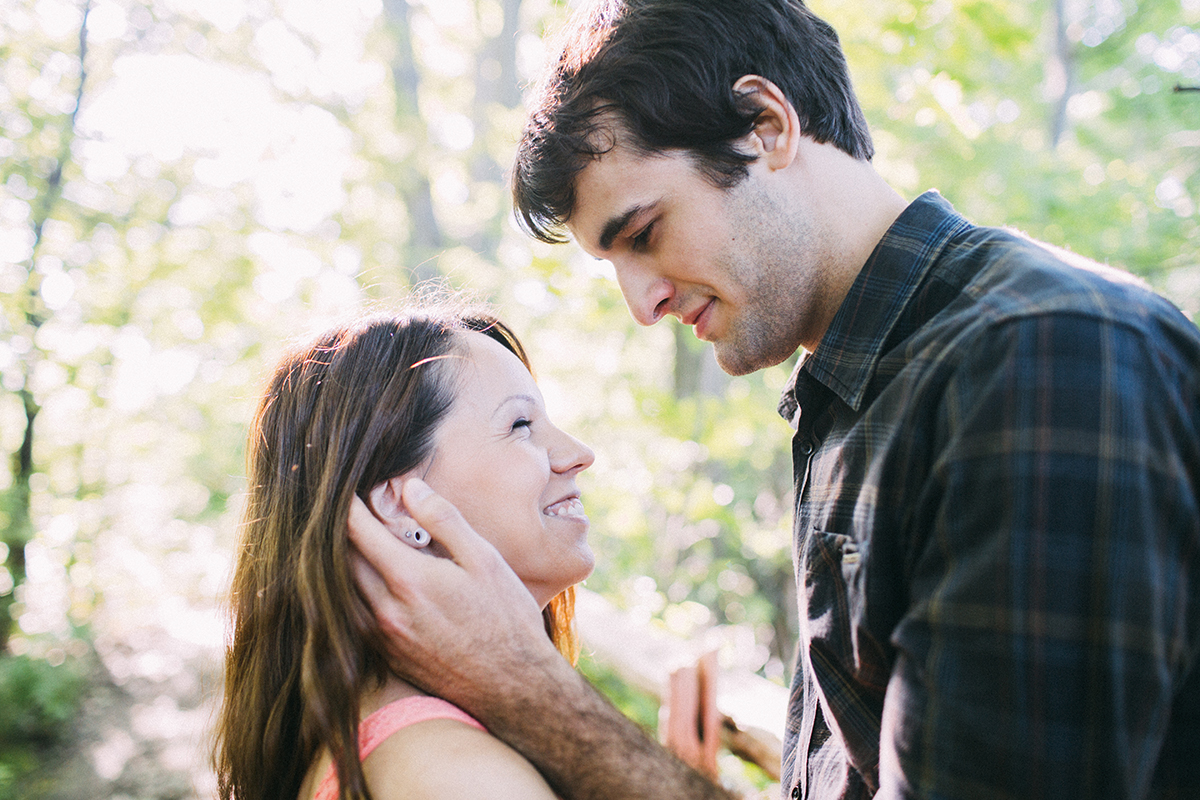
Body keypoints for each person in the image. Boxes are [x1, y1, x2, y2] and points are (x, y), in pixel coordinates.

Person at [348, 1, 1200, 798]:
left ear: (768, 126)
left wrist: (531, 693)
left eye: (643, 234)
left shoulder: (1037, 357)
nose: (641, 303)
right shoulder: (859, 391)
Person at [212, 302, 600, 800]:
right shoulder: (455, 775)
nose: (578, 453)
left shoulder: (373, 734)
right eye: (521, 424)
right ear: (401, 508)